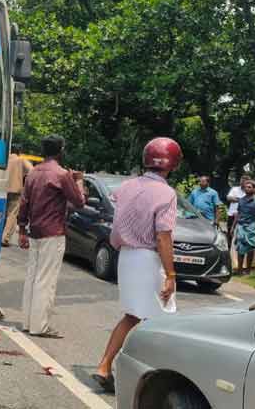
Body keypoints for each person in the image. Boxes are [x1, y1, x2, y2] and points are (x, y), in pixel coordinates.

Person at [92, 137, 182, 394]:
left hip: (127, 257)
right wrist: (171, 274)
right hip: (148, 259)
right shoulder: (167, 193)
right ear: (172, 164)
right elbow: (163, 237)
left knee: (132, 315)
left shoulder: (127, 186)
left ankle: (104, 365)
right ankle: (151, 378)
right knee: (162, 320)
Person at [17, 134, 85, 339]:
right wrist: (79, 181)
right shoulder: (62, 174)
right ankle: (40, 326)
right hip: (53, 231)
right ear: (60, 150)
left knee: (32, 277)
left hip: (35, 230)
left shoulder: (33, 173)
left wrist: (21, 229)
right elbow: (79, 201)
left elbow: (24, 203)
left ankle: (28, 322)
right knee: (46, 280)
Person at [1, 146, 33, 247]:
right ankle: (4, 238)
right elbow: (32, 171)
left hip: (1, 189)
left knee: (1, 213)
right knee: (12, 215)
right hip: (15, 191)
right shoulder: (21, 160)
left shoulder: (3, 158)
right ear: (19, 152)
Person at [232, 179, 255, 275]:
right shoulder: (241, 200)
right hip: (241, 226)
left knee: (250, 248)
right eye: (246, 187)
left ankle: (248, 270)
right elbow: (238, 214)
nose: (247, 188)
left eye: (249, 187)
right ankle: (239, 270)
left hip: (252, 226)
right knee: (239, 248)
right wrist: (233, 227)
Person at [226, 175, 249, 251]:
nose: (242, 182)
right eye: (241, 179)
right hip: (232, 214)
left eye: (245, 180)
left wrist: (236, 199)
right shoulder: (234, 189)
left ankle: (239, 250)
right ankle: (228, 249)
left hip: (243, 216)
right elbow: (229, 198)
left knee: (241, 234)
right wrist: (241, 200)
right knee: (230, 233)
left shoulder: (248, 191)